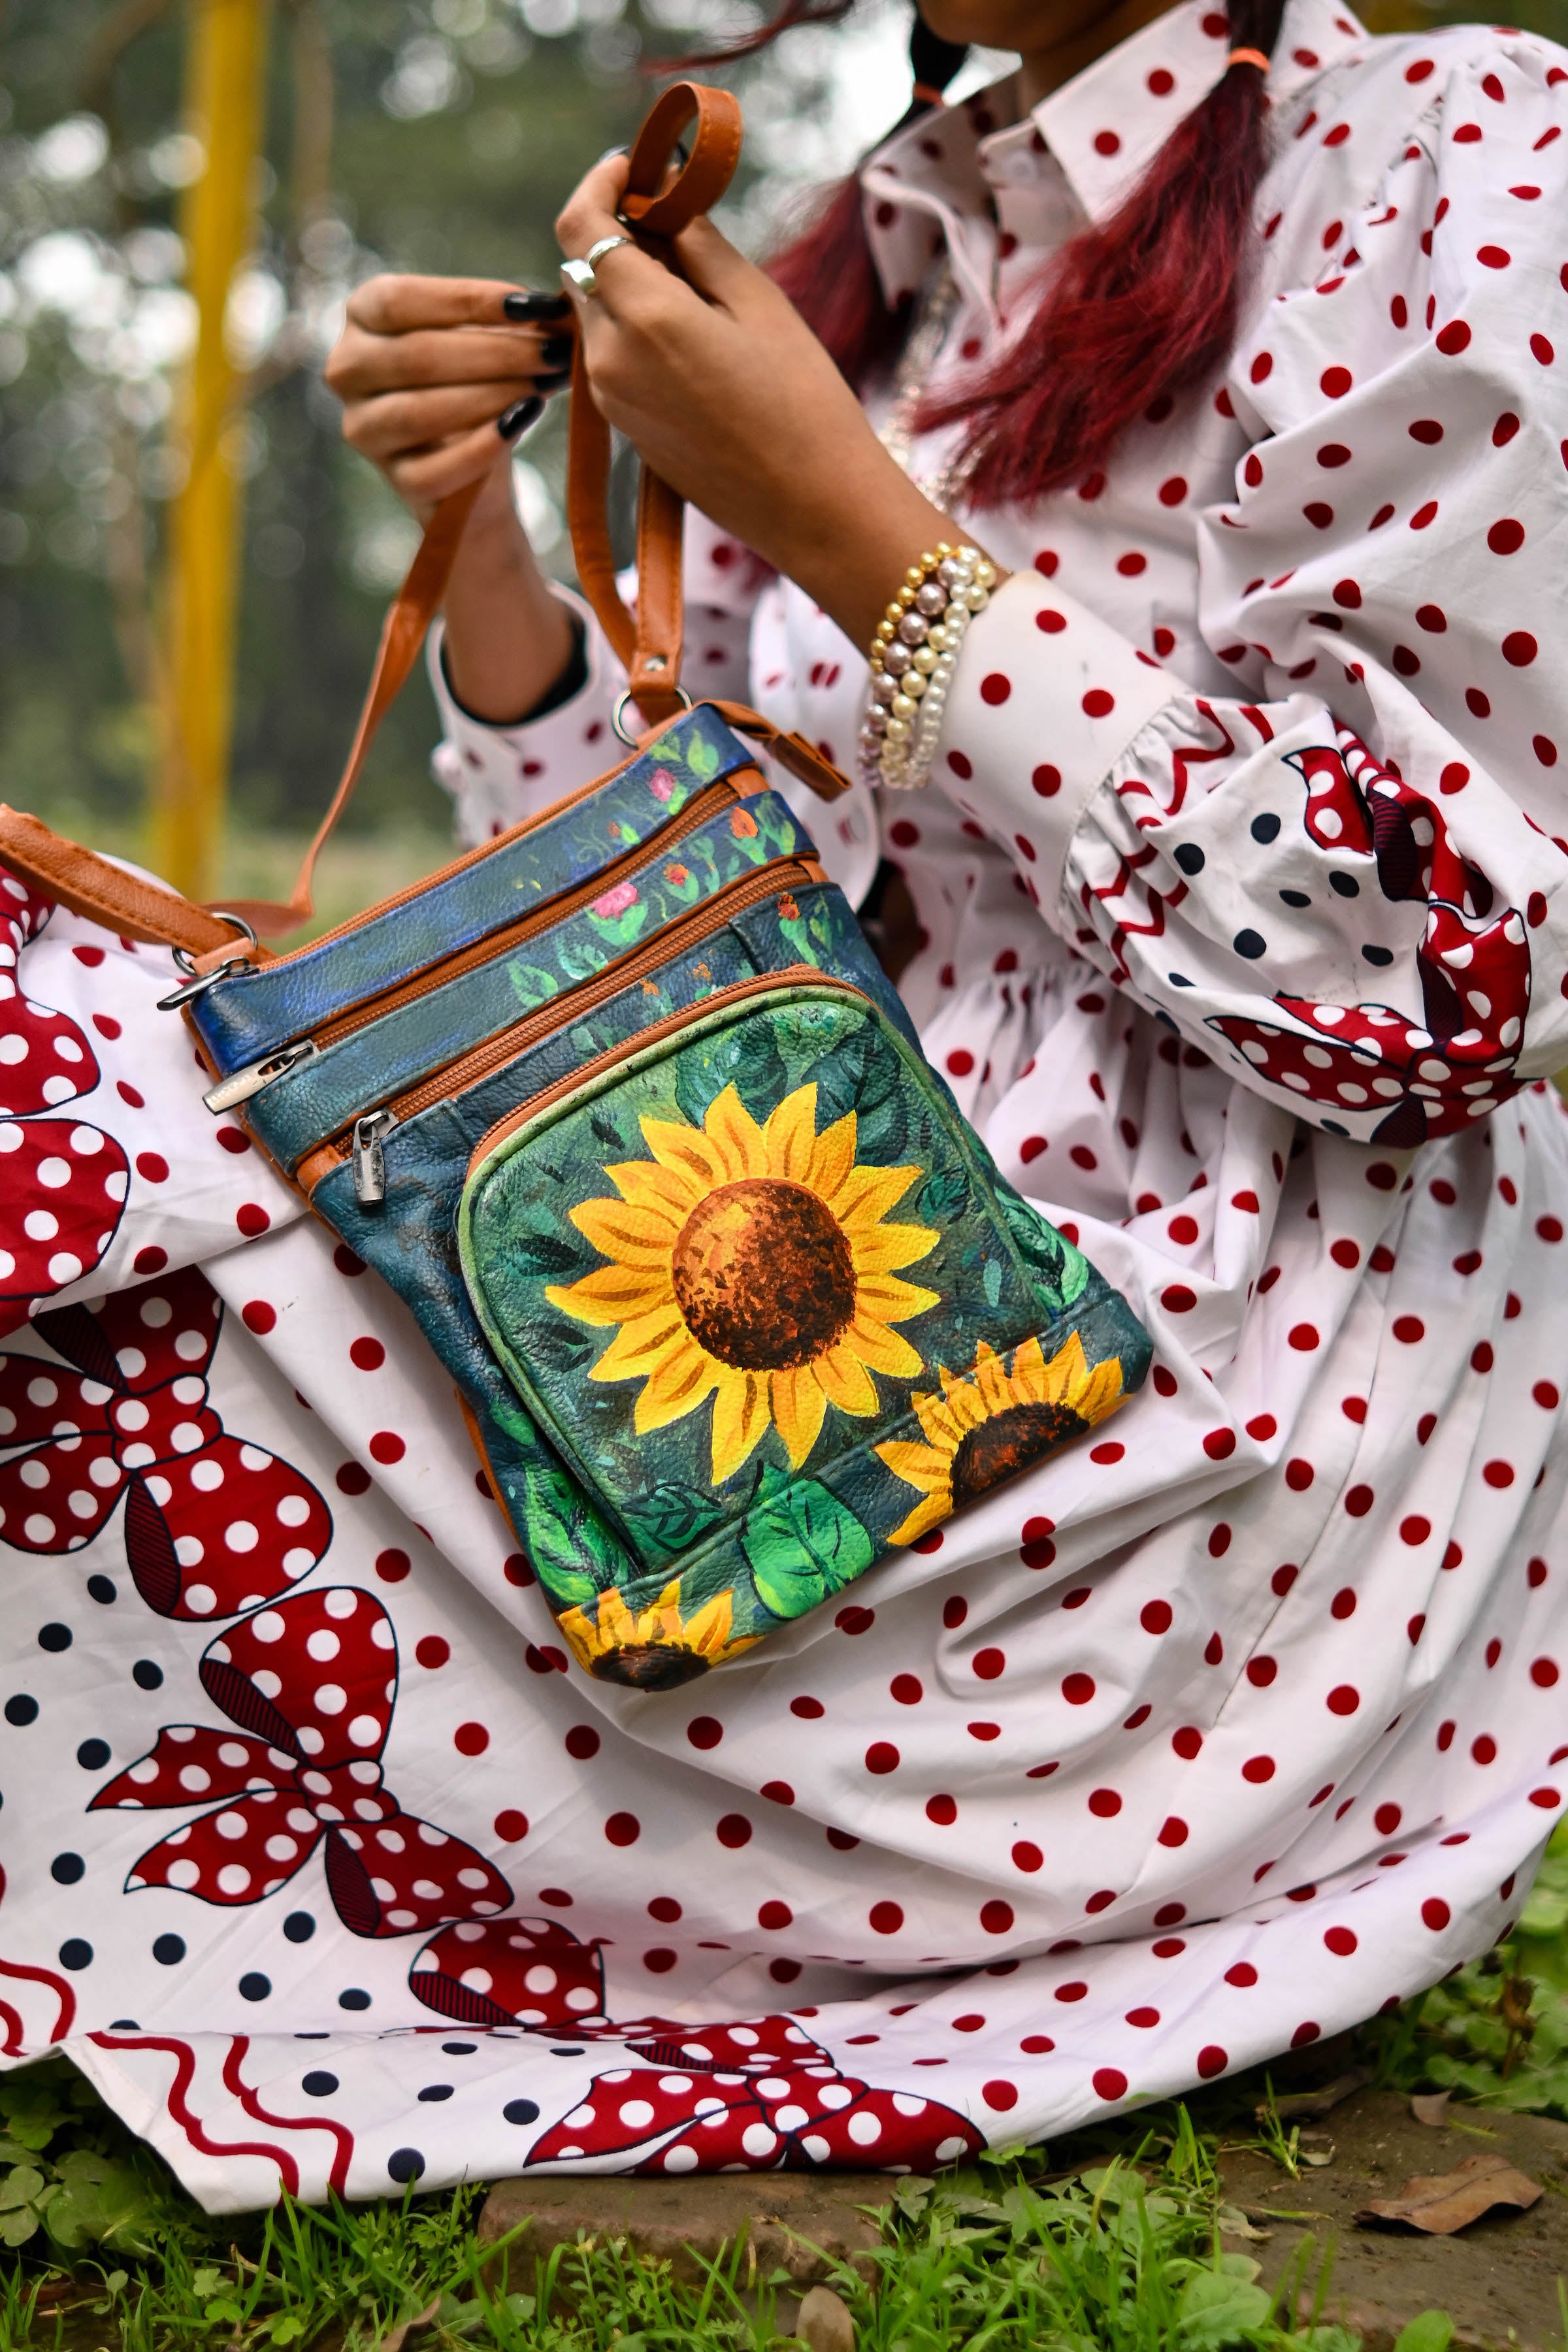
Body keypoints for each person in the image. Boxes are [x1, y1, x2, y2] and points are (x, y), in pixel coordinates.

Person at [2, 0, 1565, 2210]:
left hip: (1219, 1419)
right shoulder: (877, 242)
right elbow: (704, 920)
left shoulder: (1451, 153)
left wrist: (860, 528)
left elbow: (1438, 993)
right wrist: (493, 545)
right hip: (783, 1249)